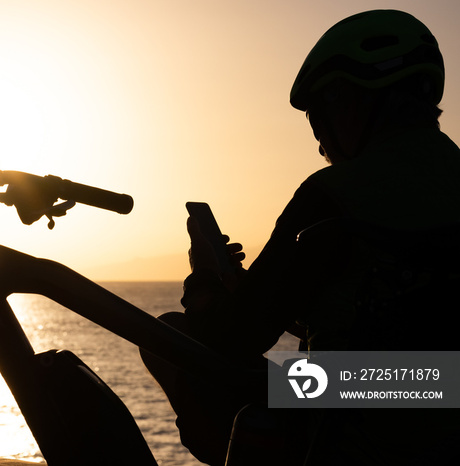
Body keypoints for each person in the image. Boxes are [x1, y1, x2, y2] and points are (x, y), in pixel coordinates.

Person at [144, 9, 460, 465]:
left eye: (318, 117)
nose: (319, 141)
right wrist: (253, 288)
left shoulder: (331, 195)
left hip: (358, 412)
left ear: (349, 100)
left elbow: (233, 337)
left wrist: (205, 281)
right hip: (432, 389)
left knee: (168, 336)